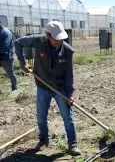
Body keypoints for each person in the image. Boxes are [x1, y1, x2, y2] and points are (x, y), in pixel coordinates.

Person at [14, 21, 81, 156]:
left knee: (67, 117)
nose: (59, 41)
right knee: (41, 116)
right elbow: (17, 43)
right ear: (47, 35)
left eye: (61, 38)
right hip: (42, 86)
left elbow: (69, 75)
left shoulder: (68, 51)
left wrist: (70, 94)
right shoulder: (39, 42)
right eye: (56, 38)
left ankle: (72, 143)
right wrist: (23, 62)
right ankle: (44, 139)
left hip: (60, 88)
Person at [0, 21, 18, 94]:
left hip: (6, 57)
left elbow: (5, 46)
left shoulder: (6, 32)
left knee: (10, 73)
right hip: (1, 56)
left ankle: (14, 88)